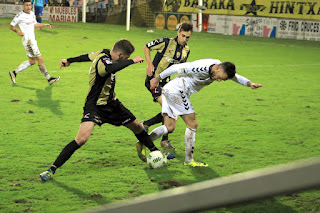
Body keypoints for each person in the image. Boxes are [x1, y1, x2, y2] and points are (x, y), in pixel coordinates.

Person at [39, 39, 175, 182]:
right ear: (120, 54)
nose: (126, 60)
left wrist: (69, 60)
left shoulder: (102, 52)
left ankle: (155, 152)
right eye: (126, 58)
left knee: (138, 126)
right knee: (81, 138)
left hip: (113, 104)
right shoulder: (103, 62)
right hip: (95, 106)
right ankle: (51, 169)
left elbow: (87, 56)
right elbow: (110, 69)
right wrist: (132, 62)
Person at [148, 59, 263, 167]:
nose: (218, 80)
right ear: (218, 68)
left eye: (222, 79)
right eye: (219, 77)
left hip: (172, 90)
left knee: (169, 127)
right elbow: (175, 67)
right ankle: (189, 160)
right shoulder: (200, 68)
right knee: (192, 124)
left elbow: (235, 76)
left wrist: (249, 83)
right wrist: (157, 79)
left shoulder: (220, 68)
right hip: (177, 91)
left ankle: (143, 142)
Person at [142, 21, 193, 150]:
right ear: (178, 33)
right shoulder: (166, 42)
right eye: (183, 36)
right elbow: (146, 47)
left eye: (187, 37)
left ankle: (147, 124)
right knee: (169, 109)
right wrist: (149, 64)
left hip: (169, 84)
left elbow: (181, 68)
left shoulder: (186, 50)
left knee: (171, 110)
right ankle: (163, 140)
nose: (184, 39)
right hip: (153, 81)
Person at [9, 0, 60, 85]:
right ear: (23, 6)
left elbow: (35, 24)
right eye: (26, 5)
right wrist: (18, 31)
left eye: (29, 5)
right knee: (40, 59)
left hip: (32, 40)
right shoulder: (20, 16)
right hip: (28, 41)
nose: (28, 7)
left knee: (32, 61)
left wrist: (44, 25)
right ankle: (49, 79)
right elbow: (11, 26)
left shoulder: (32, 13)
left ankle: (14, 72)